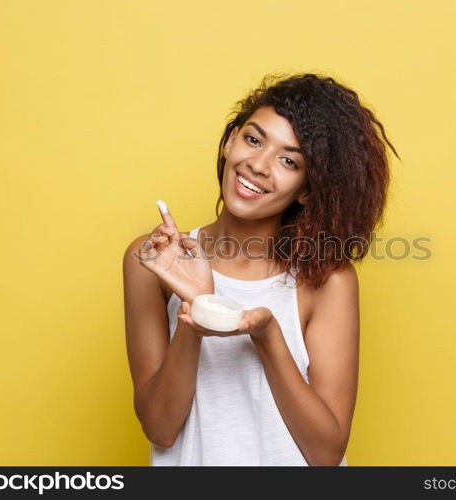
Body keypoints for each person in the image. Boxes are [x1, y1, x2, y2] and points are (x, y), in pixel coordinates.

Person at [122, 73, 399, 466]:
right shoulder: (153, 262)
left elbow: (326, 452)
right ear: (231, 140)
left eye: (289, 161)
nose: (258, 165)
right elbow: (160, 427)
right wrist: (198, 308)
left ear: (307, 190)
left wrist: (269, 337)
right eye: (253, 139)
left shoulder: (326, 281)